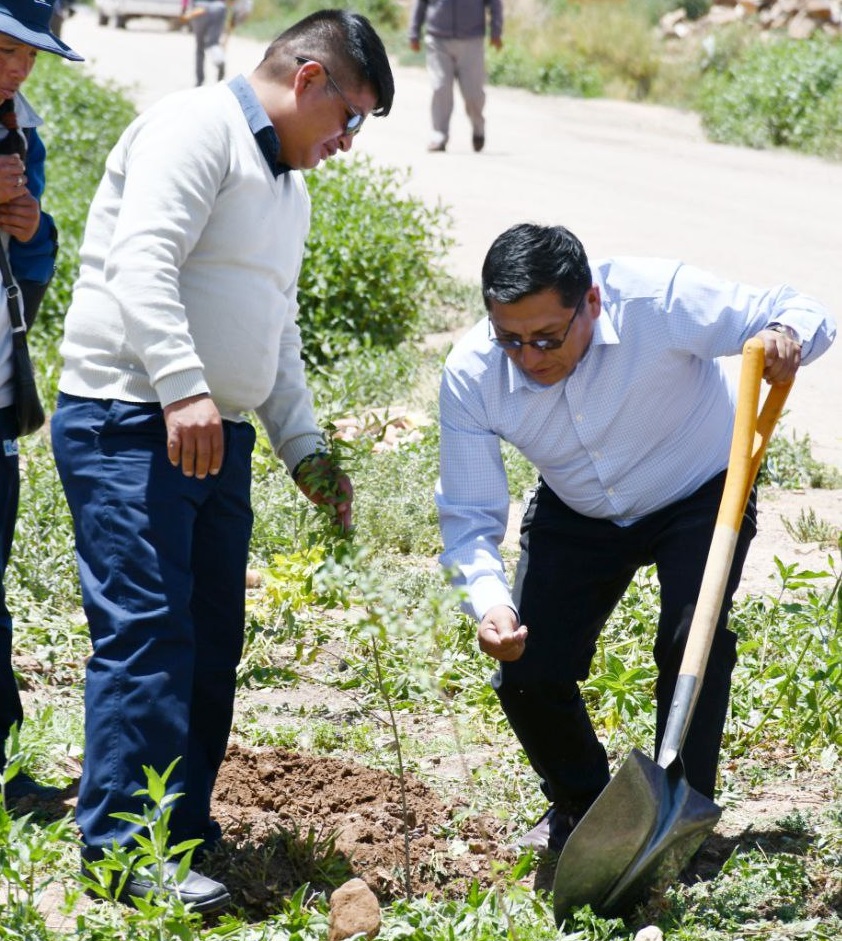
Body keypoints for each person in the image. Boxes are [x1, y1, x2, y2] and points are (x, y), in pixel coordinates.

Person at [51, 9, 393, 912]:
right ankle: (124, 852)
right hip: (132, 419)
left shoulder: (290, 186)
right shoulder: (193, 128)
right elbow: (143, 260)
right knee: (149, 632)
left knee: (206, 642)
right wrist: (181, 386)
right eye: (351, 117)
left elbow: (274, 328)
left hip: (212, 433)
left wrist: (305, 448)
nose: (348, 143)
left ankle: (178, 830)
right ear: (310, 79)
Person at [436, 223, 836, 855]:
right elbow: (467, 517)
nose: (530, 358)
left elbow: (797, 308)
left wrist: (787, 337)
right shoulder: (472, 375)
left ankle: (680, 814)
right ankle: (589, 808)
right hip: (579, 508)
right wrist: (489, 605)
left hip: (701, 489)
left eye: (547, 337)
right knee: (527, 669)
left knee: (691, 639)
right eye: (510, 340)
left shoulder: (657, 299)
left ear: (590, 302)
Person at [0, 0, 82, 807]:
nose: (19, 67)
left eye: (30, 54)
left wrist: (30, 229)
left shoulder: (24, 135)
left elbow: (35, 273)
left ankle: (3, 770)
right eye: (3, 48)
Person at [408, 0, 502, 153]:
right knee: (440, 87)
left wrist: (496, 31)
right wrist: (414, 32)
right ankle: (439, 135)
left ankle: (478, 126)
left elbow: (494, 3)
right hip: (437, 38)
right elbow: (421, 3)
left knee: (473, 94)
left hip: (471, 40)